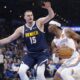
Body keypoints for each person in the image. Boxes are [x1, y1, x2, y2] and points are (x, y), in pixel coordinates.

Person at [0, 1, 55, 80]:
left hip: (42, 54)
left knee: (39, 73)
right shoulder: (21, 29)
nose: (30, 17)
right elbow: (9, 39)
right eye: (28, 16)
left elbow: (51, 15)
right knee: (21, 72)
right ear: (24, 17)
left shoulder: (39, 22)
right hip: (30, 55)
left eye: (31, 15)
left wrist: (49, 8)